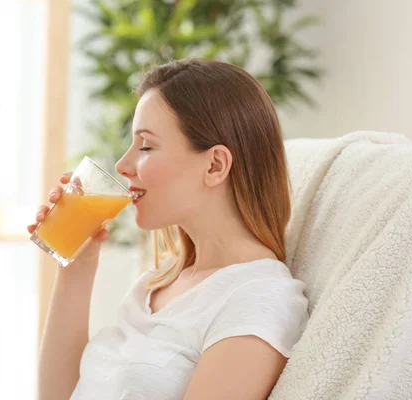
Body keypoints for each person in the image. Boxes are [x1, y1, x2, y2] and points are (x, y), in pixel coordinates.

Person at [28, 59, 309, 399]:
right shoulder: (155, 284)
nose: (122, 164)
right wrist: (77, 265)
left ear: (215, 165)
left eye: (145, 146)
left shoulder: (259, 297)